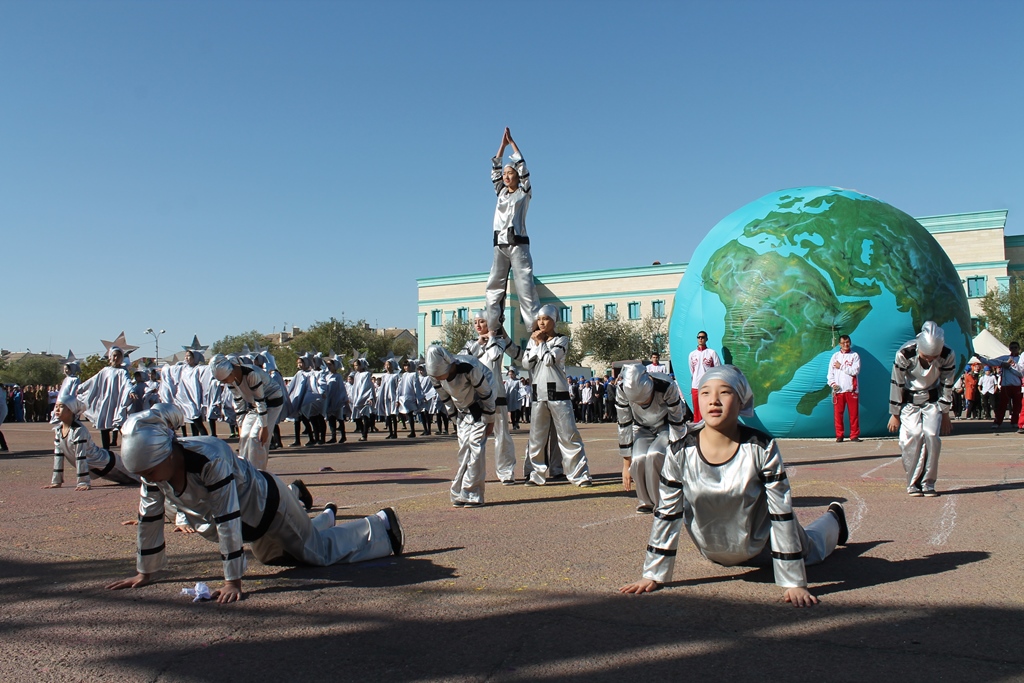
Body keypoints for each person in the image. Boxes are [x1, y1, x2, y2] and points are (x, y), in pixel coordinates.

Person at [106, 405, 404, 603]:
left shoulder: (210, 456)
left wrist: (232, 581)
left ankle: (380, 526)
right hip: (251, 524)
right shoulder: (154, 474)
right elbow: (149, 517)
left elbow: (227, 517)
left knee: (317, 554)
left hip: (269, 507)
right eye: (141, 474)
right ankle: (324, 516)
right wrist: (145, 572)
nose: (147, 479)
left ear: (169, 453)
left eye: (149, 471)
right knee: (278, 558)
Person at [620, 365, 848, 607]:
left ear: (742, 401)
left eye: (725, 392)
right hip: (715, 552)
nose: (714, 401)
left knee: (813, 547)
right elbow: (667, 512)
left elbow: (781, 512)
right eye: (706, 392)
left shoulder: (761, 447)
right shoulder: (680, 451)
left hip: (764, 547)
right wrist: (652, 574)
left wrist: (793, 581)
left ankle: (834, 518)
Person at [523, 305, 593, 487]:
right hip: (538, 392)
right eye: (539, 319)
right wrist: (536, 345)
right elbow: (525, 363)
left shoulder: (561, 340)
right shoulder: (533, 341)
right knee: (537, 437)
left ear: (554, 320)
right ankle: (535, 474)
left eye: (546, 318)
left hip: (558, 392)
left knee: (568, 435)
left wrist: (540, 344)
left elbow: (549, 360)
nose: (541, 322)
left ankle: (579, 474)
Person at [888, 321, 956, 497]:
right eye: (926, 357)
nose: (930, 361)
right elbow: (897, 383)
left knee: (932, 436)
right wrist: (894, 414)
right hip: (909, 402)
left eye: (933, 358)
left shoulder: (947, 355)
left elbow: (948, 385)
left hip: (932, 401)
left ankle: (928, 482)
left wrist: (946, 413)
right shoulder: (904, 354)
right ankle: (913, 482)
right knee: (913, 436)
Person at [424, 345, 497, 507]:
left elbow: (486, 393)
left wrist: (490, 419)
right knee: (464, 449)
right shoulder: (435, 377)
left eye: (441, 374)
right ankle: (459, 492)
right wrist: (455, 420)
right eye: (436, 376)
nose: (440, 379)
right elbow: (446, 399)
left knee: (475, 447)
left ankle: (473, 493)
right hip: (462, 410)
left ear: (449, 365)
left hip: (480, 405)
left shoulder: (468, 368)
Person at [484, 127, 540, 336]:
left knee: (524, 285)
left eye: (510, 173)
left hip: (518, 243)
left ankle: (534, 327)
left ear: (517, 176)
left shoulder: (524, 192)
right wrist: (501, 146)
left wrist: (513, 145)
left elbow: (524, 168)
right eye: (505, 174)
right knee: (494, 285)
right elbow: (494, 172)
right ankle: (493, 327)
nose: (506, 177)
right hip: (499, 244)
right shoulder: (500, 192)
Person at [460, 311, 523, 485]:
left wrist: (493, 337)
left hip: (497, 396)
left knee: (502, 436)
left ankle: (506, 471)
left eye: (482, 322)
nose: (478, 325)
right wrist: (479, 343)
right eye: (475, 322)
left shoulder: (499, 342)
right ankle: (471, 472)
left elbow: (495, 355)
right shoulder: (471, 344)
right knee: (473, 437)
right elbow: (460, 359)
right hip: (476, 397)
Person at [615, 363, 688, 513]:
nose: (642, 404)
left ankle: (660, 501)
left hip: (666, 425)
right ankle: (645, 501)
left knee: (655, 454)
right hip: (642, 427)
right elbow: (624, 424)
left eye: (645, 400)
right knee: (639, 458)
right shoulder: (621, 390)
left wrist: (677, 448)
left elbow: (677, 419)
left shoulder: (666, 385)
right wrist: (625, 464)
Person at [44, 395, 138, 490]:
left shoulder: (78, 430)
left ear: (70, 410)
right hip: (99, 469)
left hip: (109, 463)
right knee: (133, 481)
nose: (57, 409)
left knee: (142, 477)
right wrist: (56, 482)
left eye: (61, 406)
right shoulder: (58, 430)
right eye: (56, 406)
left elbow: (81, 456)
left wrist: (83, 482)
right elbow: (58, 457)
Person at [209, 354, 285, 471]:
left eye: (224, 380)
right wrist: (240, 425)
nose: (224, 383)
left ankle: (258, 472)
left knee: (257, 438)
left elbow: (261, 400)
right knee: (244, 436)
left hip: (271, 402)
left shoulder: (251, 373)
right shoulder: (231, 380)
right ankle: (244, 470)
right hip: (254, 405)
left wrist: (264, 427)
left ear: (230, 372)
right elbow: (239, 403)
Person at [76, 346, 132, 450]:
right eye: (114, 356)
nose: (116, 358)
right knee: (104, 426)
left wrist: (131, 391)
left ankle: (128, 447)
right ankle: (106, 450)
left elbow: (127, 382)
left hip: (116, 403)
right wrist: (81, 388)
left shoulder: (122, 371)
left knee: (119, 424)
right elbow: (92, 380)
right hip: (105, 402)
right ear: (110, 357)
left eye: (118, 356)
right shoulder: (105, 371)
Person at [976, 342, 1024, 431]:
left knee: (1017, 406)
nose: (1014, 349)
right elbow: (990, 361)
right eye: (1012, 347)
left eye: (1016, 347)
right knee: (1002, 405)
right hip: (1005, 385)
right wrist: (979, 357)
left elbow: (1021, 373)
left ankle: (1014, 422)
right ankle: (997, 422)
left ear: (1019, 348)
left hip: (1017, 385)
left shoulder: (1021, 359)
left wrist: (1010, 366)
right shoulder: (1005, 358)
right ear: (1009, 349)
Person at [827, 334, 861, 442]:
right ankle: (839, 435)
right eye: (843, 343)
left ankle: (854, 435)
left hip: (852, 390)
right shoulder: (835, 357)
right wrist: (833, 384)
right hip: (839, 391)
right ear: (839, 344)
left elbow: (855, 371)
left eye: (847, 342)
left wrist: (841, 366)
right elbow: (830, 374)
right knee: (838, 414)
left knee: (854, 414)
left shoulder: (854, 355)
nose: (846, 345)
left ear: (850, 343)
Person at [687, 331, 721, 423]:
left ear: (706, 339)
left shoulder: (712, 353)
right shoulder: (692, 354)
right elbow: (692, 370)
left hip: (708, 386)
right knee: (697, 410)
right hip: (696, 386)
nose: (700, 339)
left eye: (702, 337)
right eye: (699, 337)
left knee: (708, 408)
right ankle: (697, 429)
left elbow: (718, 369)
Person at [396, 358, 424, 437]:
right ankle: (411, 430)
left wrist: (418, 397)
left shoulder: (414, 374)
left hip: (411, 396)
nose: (405, 367)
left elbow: (416, 386)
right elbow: (400, 386)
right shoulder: (404, 375)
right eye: (404, 366)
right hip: (404, 397)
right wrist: (398, 396)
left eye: (407, 366)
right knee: (407, 414)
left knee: (410, 413)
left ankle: (413, 431)